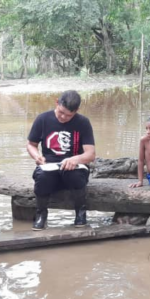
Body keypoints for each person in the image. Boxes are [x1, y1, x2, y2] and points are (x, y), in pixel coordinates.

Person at [26, 90, 96, 230]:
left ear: (76, 111)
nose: (63, 117)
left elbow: (91, 154)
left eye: (68, 115)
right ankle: (41, 215)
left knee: (74, 174)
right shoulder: (43, 119)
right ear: (56, 102)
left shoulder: (83, 122)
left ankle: (80, 213)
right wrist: (37, 156)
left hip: (74, 169)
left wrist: (75, 159)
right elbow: (31, 144)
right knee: (42, 176)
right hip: (49, 166)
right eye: (60, 112)